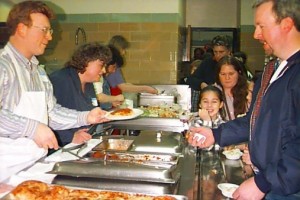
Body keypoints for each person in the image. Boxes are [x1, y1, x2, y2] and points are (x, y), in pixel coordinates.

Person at [188, 0, 300, 199]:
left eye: (261, 26)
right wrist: (216, 134)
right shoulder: (271, 70)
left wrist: (262, 183)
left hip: (288, 188)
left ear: (287, 24)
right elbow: (253, 120)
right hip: (270, 181)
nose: (256, 34)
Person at [0, 1, 108, 182]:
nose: (49, 37)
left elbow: (50, 113)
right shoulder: (3, 66)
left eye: (50, 31)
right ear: (22, 29)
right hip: (4, 169)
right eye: (44, 30)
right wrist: (32, 128)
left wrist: (86, 117)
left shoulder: (38, 71)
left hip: (31, 166)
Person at [49, 42, 111, 146]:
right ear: (87, 62)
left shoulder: (89, 84)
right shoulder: (60, 80)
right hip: (61, 148)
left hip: (83, 143)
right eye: (101, 65)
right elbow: (48, 118)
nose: (104, 70)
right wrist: (70, 137)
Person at [215, 55, 250, 120]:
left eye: (231, 74)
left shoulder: (249, 91)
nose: (227, 78)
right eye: (223, 74)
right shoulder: (212, 92)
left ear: (239, 73)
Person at [93, 45, 125, 111]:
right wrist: (115, 98)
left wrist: (111, 103)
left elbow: (101, 99)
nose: (114, 71)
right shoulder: (95, 76)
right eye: (113, 67)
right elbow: (98, 96)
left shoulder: (102, 77)